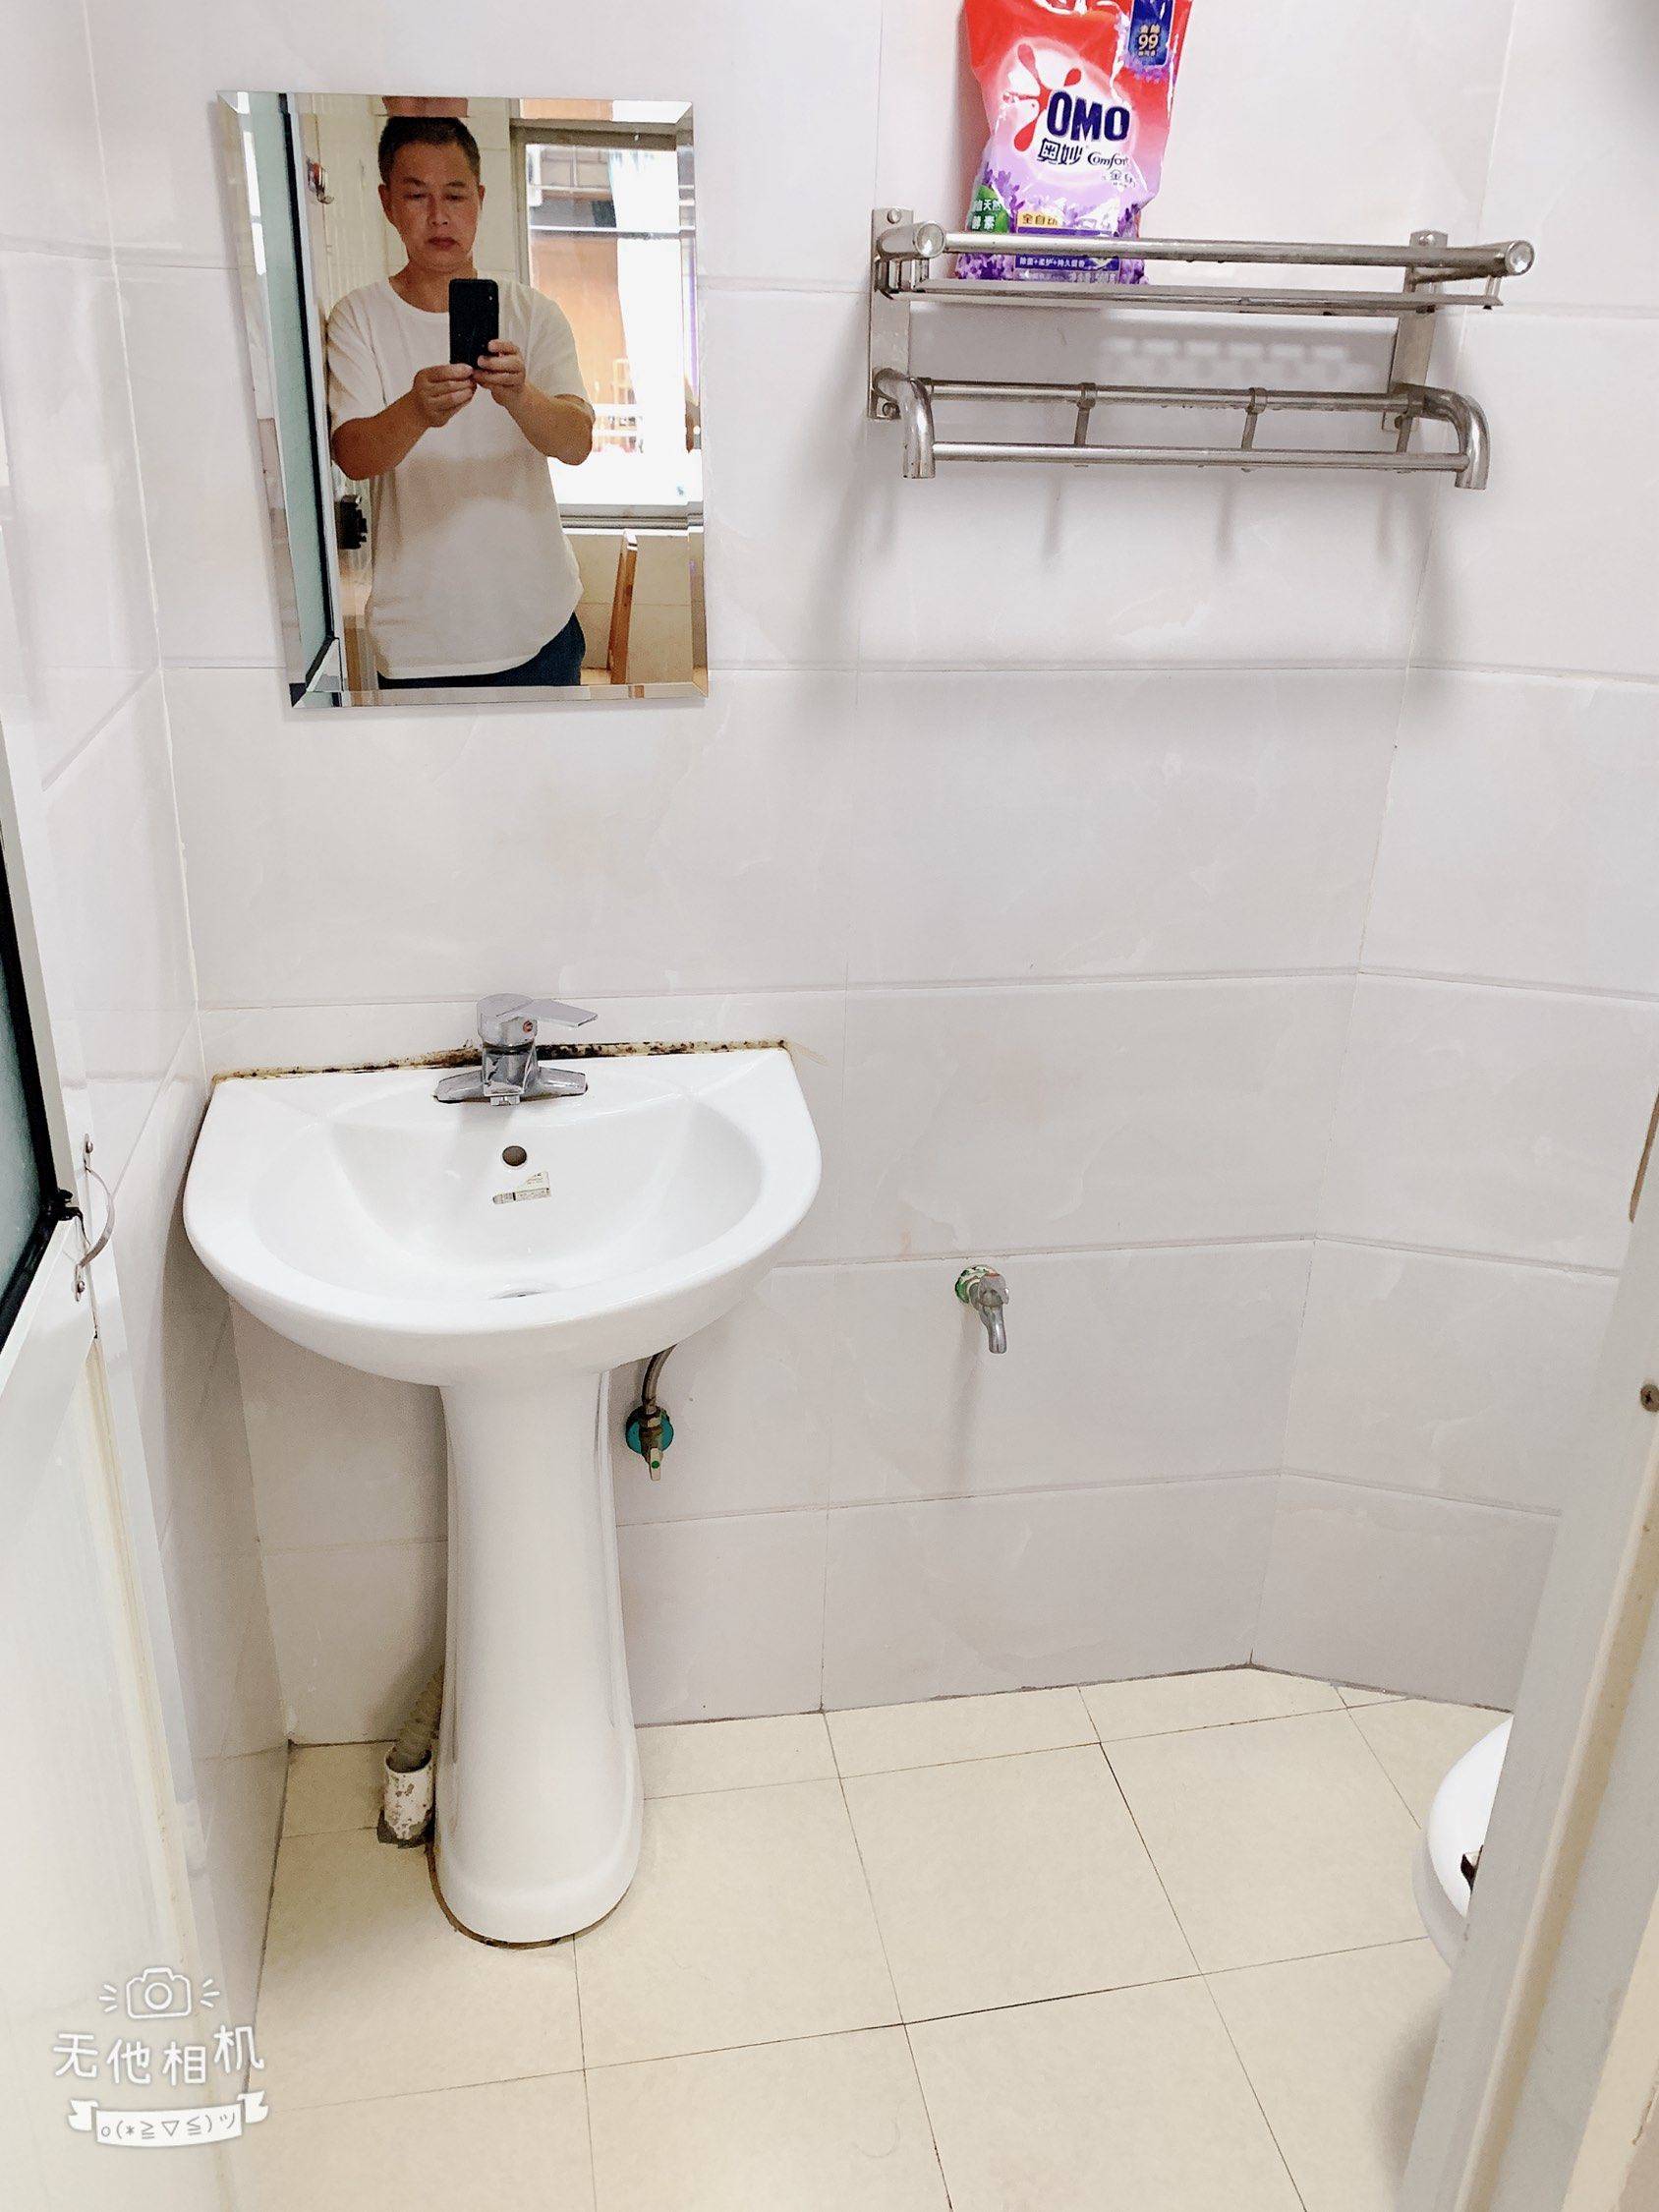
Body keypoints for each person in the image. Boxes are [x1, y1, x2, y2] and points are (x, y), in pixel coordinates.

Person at [325, 115, 596, 690]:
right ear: (387, 203)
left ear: (480, 200)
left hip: (538, 624)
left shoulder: (534, 314)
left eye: (455, 195)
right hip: (418, 642)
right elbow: (353, 456)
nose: (439, 215)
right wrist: (415, 412)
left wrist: (520, 395)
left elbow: (577, 443)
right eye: (416, 195)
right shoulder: (358, 317)